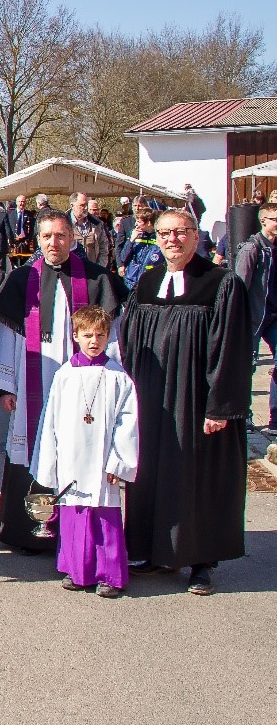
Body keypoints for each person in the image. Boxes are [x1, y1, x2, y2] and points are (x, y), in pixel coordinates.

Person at [120, 208, 251, 595]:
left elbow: (230, 350)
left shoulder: (220, 284)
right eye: (164, 233)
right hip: (151, 400)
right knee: (150, 474)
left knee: (194, 477)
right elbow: (127, 341)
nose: (171, 240)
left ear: (197, 236)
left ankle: (200, 562)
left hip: (194, 402)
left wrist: (219, 407)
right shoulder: (146, 284)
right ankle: (150, 550)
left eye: (180, 232)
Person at [0, 209, 126, 553]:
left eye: (61, 236)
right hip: (37, 388)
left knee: (83, 450)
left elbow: (113, 338)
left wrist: (113, 380)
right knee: (32, 449)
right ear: (37, 240)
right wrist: (7, 386)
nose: (54, 243)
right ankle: (26, 529)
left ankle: (80, 534)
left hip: (86, 390)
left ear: (73, 239)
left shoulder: (97, 280)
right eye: (47, 236)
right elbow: (8, 336)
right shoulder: (21, 281)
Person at [31, 306, 139, 598]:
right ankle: (77, 571)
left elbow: (127, 422)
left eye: (100, 335)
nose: (94, 341)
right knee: (74, 515)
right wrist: (49, 464)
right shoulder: (64, 375)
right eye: (87, 335)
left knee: (104, 517)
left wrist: (119, 462)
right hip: (72, 458)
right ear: (76, 335)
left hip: (104, 460)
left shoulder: (118, 376)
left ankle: (110, 576)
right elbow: (50, 420)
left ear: (108, 337)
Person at [235, 202, 277, 433]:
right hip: (252, 316)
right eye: (275, 219)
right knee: (245, 366)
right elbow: (239, 284)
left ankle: (276, 418)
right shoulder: (252, 249)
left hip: (273, 315)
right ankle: (244, 415)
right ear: (264, 221)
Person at [116, 208, 164, 290]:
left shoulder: (160, 237)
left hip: (152, 282)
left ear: (148, 223)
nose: (135, 224)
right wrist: (131, 241)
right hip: (132, 281)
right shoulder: (135, 235)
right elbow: (123, 257)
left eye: (139, 221)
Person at [69, 192, 107, 265]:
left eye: (86, 205)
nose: (86, 208)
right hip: (71, 270)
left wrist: (100, 267)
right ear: (72, 206)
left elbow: (104, 247)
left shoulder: (97, 224)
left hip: (93, 270)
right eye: (82, 205)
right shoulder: (63, 223)